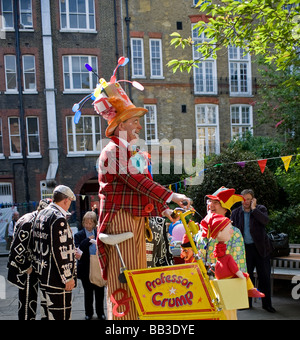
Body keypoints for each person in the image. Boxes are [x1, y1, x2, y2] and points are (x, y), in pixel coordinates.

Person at [95, 80, 191, 320]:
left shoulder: (126, 151)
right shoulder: (113, 150)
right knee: (126, 283)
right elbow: (137, 182)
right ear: (120, 124)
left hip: (133, 220)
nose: (139, 126)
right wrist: (172, 195)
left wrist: (163, 209)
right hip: (121, 220)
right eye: (134, 120)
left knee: (137, 279)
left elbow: (140, 188)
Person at [32, 185, 77, 320]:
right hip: (57, 280)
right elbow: (59, 251)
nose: (69, 205)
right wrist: (67, 277)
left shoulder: (42, 214)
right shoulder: (58, 218)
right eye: (70, 202)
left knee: (47, 315)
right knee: (60, 315)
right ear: (65, 200)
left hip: (43, 275)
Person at [231, 189, 275, 313]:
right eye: (244, 199)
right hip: (244, 250)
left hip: (261, 249)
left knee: (264, 277)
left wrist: (254, 209)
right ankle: (246, 303)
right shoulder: (235, 213)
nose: (246, 201)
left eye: (249, 199)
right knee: (245, 277)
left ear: (253, 199)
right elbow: (232, 229)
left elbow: (265, 221)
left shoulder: (260, 209)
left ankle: (267, 305)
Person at [7, 200, 50, 320]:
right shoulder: (28, 222)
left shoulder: (38, 219)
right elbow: (16, 249)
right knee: (27, 303)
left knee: (38, 300)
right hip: (25, 269)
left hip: (36, 266)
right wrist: (26, 266)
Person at [195, 187, 247, 273]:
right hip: (201, 282)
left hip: (224, 283)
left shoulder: (234, 233)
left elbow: (239, 265)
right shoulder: (201, 231)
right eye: (209, 201)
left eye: (216, 202)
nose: (210, 205)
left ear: (225, 209)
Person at [75, 211, 105, 320]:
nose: (88, 225)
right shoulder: (79, 235)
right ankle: (89, 313)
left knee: (99, 291)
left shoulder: (99, 233)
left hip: (97, 265)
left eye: (90, 223)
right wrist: (88, 240)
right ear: (83, 223)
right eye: (86, 223)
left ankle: (100, 313)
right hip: (85, 267)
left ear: (95, 223)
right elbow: (79, 250)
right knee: (88, 292)